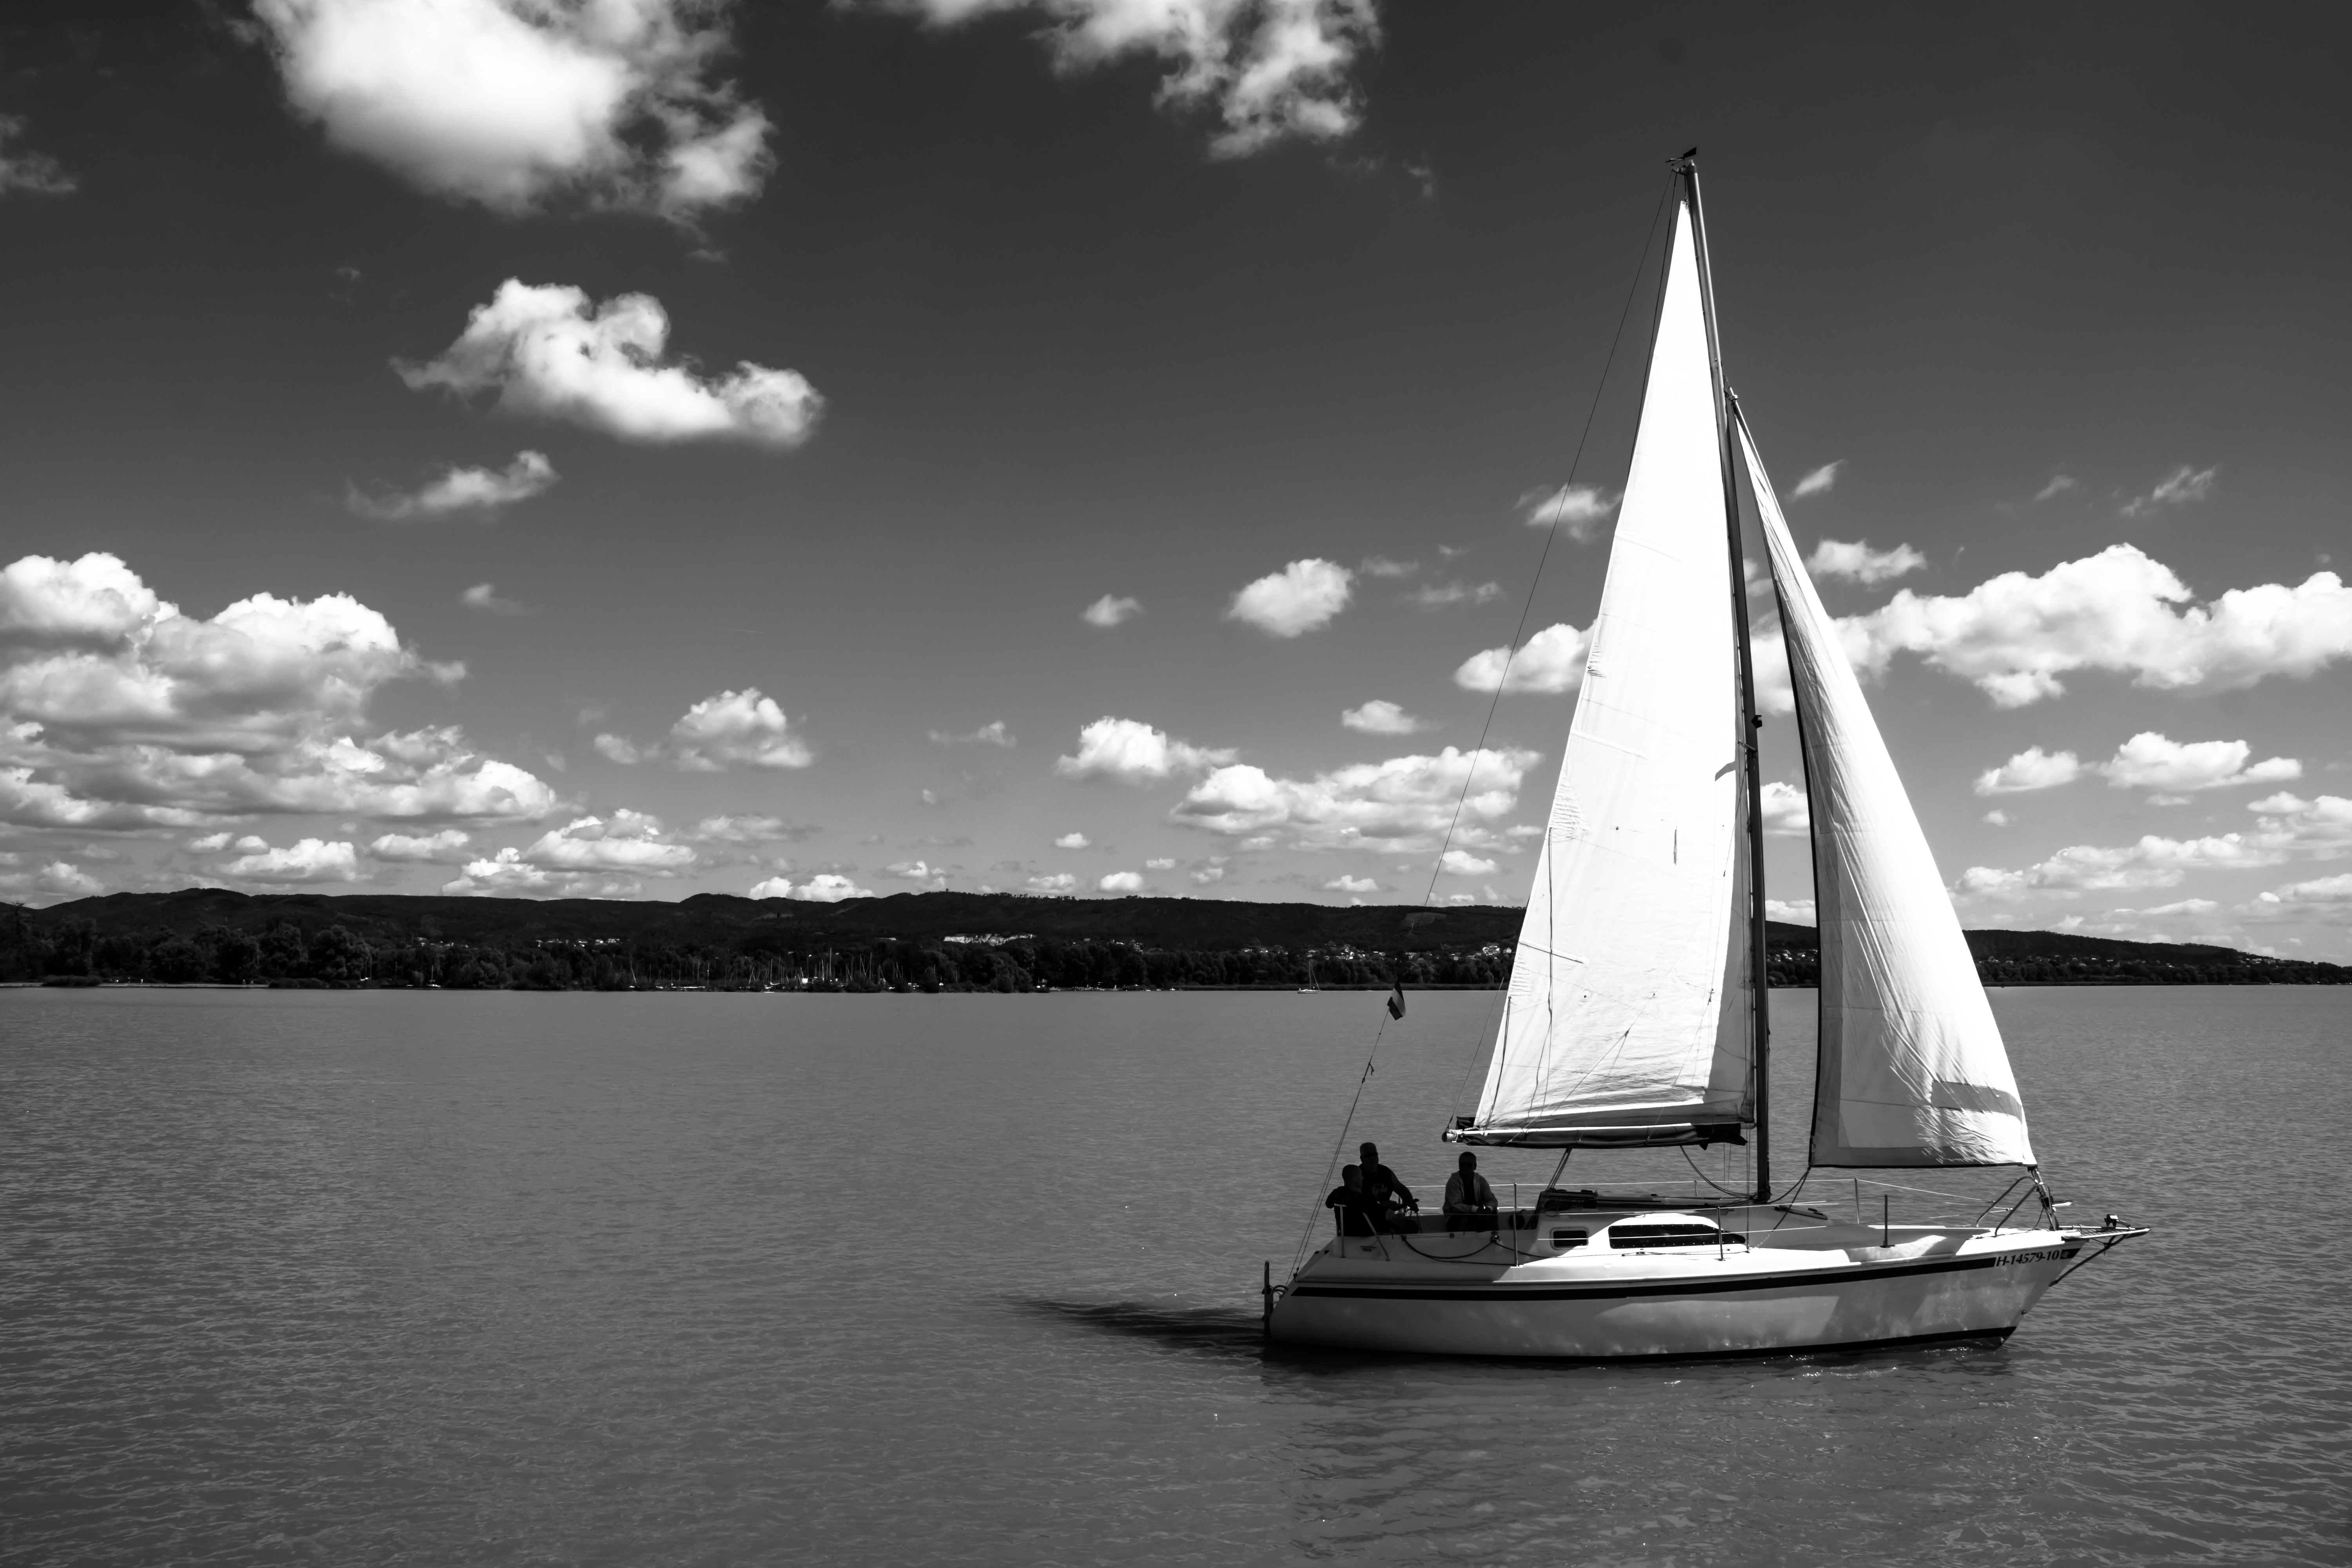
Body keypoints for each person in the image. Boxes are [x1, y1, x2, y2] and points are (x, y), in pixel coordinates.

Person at [1357, 1142, 1417, 1224]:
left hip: (1386, 1215)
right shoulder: (1357, 1175)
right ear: (1362, 1159)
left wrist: (1411, 1202)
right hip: (1367, 1219)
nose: (1372, 1158)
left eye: (1374, 1155)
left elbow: (1402, 1191)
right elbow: (1358, 1202)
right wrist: (1383, 1205)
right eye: (1368, 1156)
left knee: (1409, 1223)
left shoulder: (1386, 1172)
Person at [1443, 1151, 1498, 1231]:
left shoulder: (1481, 1180)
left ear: (1475, 1166)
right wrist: (1475, 1209)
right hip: (1455, 1216)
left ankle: (1493, 1238)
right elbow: (1455, 1205)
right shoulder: (1453, 1182)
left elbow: (1492, 1200)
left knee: (1493, 1214)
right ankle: (1465, 1241)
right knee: (1465, 1219)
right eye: (1462, 1164)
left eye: (1469, 1165)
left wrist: (1489, 1209)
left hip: (1475, 1215)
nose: (1465, 1167)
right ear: (1459, 1166)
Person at [1325, 1164, 1377, 1238]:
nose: (1363, 1178)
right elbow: (1369, 1207)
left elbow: (1329, 1204)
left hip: (1345, 1234)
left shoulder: (1338, 1193)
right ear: (1354, 1178)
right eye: (1361, 1175)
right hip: (1360, 1234)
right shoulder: (1353, 1197)